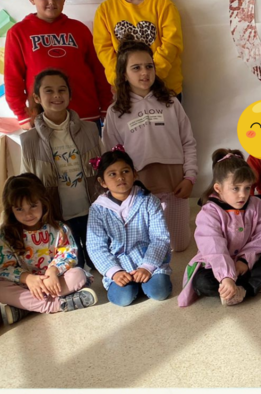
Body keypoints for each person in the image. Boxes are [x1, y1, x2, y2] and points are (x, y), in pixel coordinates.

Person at [102, 39, 196, 252]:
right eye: (136, 68)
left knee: (179, 246)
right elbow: (111, 156)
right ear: (124, 74)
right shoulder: (115, 111)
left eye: (149, 66)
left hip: (175, 183)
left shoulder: (171, 102)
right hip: (138, 188)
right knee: (144, 247)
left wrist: (190, 177)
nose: (144, 72)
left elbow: (188, 142)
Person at [178, 149, 261, 307]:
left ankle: (245, 290)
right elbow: (213, 247)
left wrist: (245, 260)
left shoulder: (257, 204)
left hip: (249, 262)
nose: (243, 194)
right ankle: (256, 285)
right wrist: (226, 277)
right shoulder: (209, 212)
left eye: (247, 187)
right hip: (216, 265)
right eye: (236, 188)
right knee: (201, 282)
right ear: (218, 188)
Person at [4, 0, 111, 128]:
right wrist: (22, 114)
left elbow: (98, 71)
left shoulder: (79, 29)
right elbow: (12, 78)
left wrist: (106, 105)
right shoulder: (18, 33)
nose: (51, 2)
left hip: (86, 114)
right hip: (45, 118)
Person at [19, 69, 102, 268]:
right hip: (58, 219)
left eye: (62, 90)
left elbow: (105, 168)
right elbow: (26, 184)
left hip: (93, 211)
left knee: (100, 263)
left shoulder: (90, 130)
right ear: (37, 98)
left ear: (70, 95)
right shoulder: (29, 140)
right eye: (49, 91)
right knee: (74, 268)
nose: (56, 95)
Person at [0, 174, 97, 325]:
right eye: (19, 209)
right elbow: (3, 268)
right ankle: (59, 304)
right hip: (25, 286)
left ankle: (26, 308)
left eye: (33, 206)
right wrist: (27, 278)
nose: (28, 214)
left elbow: (68, 253)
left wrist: (53, 271)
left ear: (43, 202)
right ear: (11, 210)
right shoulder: (4, 235)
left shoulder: (58, 228)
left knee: (78, 275)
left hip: (55, 282)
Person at [93, 0, 184, 98]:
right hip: (127, 90)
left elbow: (172, 44)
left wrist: (151, 76)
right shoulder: (105, 9)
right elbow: (104, 51)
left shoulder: (163, 4)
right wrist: (120, 80)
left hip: (164, 88)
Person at [86, 148, 173, 306]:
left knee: (159, 292)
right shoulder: (97, 209)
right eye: (112, 174)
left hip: (149, 261)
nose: (120, 177)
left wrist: (147, 267)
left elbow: (160, 238)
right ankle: (133, 285)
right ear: (102, 182)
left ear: (135, 174)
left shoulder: (149, 200)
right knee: (122, 299)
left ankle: (147, 282)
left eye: (125, 171)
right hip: (119, 265)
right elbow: (95, 246)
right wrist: (115, 272)